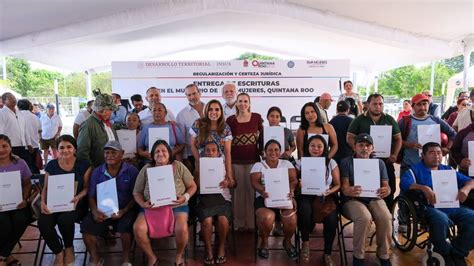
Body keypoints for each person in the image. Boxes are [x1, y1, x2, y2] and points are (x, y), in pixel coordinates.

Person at [400, 142, 474, 266]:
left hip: (452, 206)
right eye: (432, 153)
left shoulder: (448, 169)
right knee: (441, 219)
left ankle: (458, 252)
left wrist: (466, 189)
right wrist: (423, 188)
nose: (437, 156)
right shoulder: (415, 170)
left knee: (472, 217)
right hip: (429, 207)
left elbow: (471, 181)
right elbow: (404, 184)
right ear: (422, 155)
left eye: (439, 153)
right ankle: (444, 253)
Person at [133, 140, 197, 266]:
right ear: (152, 155)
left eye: (163, 150)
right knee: (138, 228)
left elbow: (192, 186)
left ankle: (179, 255)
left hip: (177, 205)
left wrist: (185, 197)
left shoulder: (178, 166)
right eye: (157, 151)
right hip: (151, 207)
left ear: (169, 153)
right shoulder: (146, 168)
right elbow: (136, 192)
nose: (160, 153)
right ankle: (152, 257)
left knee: (182, 228)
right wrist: (142, 204)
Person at [81, 140, 138, 266]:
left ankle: (126, 258)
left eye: (113, 152)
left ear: (122, 154)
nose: (109, 155)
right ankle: (95, 258)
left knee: (126, 226)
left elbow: (136, 196)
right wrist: (95, 212)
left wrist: (123, 211)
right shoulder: (97, 172)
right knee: (86, 226)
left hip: (124, 209)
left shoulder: (132, 171)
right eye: (106, 152)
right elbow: (91, 196)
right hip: (102, 211)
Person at [39, 135, 92, 266]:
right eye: (61, 147)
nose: (65, 150)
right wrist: (43, 203)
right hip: (54, 204)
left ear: (75, 149)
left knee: (65, 219)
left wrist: (79, 196)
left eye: (69, 147)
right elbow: (45, 188)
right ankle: (58, 251)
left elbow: (86, 188)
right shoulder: (51, 165)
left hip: (77, 204)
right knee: (43, 222)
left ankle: (69, 247)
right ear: (56, 150)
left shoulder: (84, 165)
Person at [340, 133, 392, 266]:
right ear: (354, 147)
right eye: (361, 145)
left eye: (368, 145)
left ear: (372, 148)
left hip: (374, 198)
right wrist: (349, 190)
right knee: (364, 217)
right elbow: (344, 188)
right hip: (353, 200)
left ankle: (383, 255)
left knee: (386, 217)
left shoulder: (379, 163)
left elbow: (386, 186)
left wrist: (386, 191)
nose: (364, 148)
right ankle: (358, 256)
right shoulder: (346, 162)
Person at [346, 93, 401, 206]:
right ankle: (367, 212)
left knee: (389, 189)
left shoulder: (389, 119)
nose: (378, 106)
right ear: (368, 104)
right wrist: (358, 150)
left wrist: (394, 155)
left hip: (385, 161)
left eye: (380, 104)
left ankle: (388, 216)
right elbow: (349, 137)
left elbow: (398, 139)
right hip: (364, 161)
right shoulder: (359, 119)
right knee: (366, 190)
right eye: (374, 104)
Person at [250, 140, 298, 260]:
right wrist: (262, 190)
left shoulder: (286, 164)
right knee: (267, 217)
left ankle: (287, 242)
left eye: (276, 149)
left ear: (280, 151)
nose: (273, 152)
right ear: (264, 152)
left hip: (284, 197)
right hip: (264, 198)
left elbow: (293, 180)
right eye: (270, 150)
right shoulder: (258, 165)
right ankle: (264, 243)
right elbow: (254, 183)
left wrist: (291, 190)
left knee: (291, 218)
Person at [297, 135, 340, 265]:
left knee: (332, 218)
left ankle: (327, 254)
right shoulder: (300, 162)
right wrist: (298, 183)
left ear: (325, 148)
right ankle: (305, 244)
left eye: (319, 146)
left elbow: (338, 185)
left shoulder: (331, 162)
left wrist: (329, 191)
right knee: (304, 209)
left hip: (325, 196)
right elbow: (293, 182)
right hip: (306, 195)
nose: (316, 149)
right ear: (307, 147)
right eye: (313, 146)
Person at [226, 92, 263, 231]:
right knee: (238, 193)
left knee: (251, 191)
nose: (243, 104)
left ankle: (251, 224)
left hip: (253, 161)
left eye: (245, 101)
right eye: (240, 101)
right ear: (236, 103)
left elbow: (262, 138)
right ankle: (239, 223)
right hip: (236, 162)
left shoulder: (257, 118)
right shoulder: (230, 120)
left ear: (249, 103)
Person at [398, 93, 456, 177]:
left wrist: (447, 148)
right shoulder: (405, 121)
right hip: (409, 165)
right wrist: (408, 144)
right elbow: (396, 139)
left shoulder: (436, 120)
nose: (422, 107)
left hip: (432, 167)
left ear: (429, 105)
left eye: (425, 104)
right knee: (408, 189)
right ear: (413, 106)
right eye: (418, 105)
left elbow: (453, 134)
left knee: (430, 189)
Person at [196, 142, 234, 265]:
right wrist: (199, 182)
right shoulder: (199, 165)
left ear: (218, 153)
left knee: (223, 220)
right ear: (204, 152)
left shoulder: (224, 165)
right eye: (207, 150)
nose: (211, 153)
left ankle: (221, 248)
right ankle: (208, 251)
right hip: (205, 199)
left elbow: (234, 183)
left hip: (223, 198)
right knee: (207, 221)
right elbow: (193, 186)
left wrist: (228, 182)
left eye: (213, 150)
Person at [0, 135, 32, 266]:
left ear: (10, 147)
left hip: (18, 203)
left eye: (4, 146)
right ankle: (6, 255)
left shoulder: (20, 163)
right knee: (4, 224)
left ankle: (3, 255)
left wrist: (25, 198)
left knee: (21, 220)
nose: (1, 150)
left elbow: (27, 183)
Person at [190, 99, 233, 183]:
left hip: (219, 165)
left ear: (221, 111)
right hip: (200, 164)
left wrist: (229, 173)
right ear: (206, 111)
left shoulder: (225, 128)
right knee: (202, 191)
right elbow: (192, 145)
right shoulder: (198, 123)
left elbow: (227, 152)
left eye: (217, 109)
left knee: (220, 190)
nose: (214, 112)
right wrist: (200, 162)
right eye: (210, 109)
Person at [77, 91, 118, 168]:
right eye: (111, 110)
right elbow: (82, 152)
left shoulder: (108, 123)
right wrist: (92, 170)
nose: (111, 112)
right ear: (104, 110)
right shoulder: (88, 125)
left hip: (111, 168)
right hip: (99, 171)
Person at [0, 92, 34, 172]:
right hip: (10, 147)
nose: (14, 100)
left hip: (23, 146)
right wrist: (3, 147)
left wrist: (29, 143)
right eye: (10, 98)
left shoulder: (20, 113)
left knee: (26, 167)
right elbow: (1, 131)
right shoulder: (2, 113)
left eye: (14, 98)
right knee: (13, 168)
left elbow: (25, 129)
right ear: (4, 101)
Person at [177, 84, 205, 173]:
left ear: (200, 93)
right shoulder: (181, 115)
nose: (192, 97)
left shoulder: (210, 109)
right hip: (191, 156)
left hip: (212, 153)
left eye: (194, 93)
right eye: (189, 95)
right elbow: (181, 139)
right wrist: (185, 159)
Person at [17, 99, 42, 174]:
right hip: (35, 145)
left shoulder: (18, 116)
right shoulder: (35, 117)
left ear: (18, 106)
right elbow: (40, 131)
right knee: (34, 165)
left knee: (25, 167)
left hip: (23, 146)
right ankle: (36, 182)